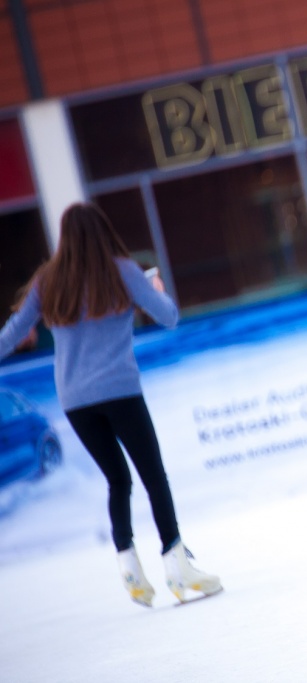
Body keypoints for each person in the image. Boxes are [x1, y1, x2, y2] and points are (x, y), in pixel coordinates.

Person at [0, 203, 221, 607]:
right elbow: (168, 318)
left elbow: (11, 335)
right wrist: (155, 292)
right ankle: (177, 565)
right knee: (154, 477)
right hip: (120, 391)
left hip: (75, 402)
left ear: (64, 238)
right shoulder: (123, 270)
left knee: (117, 480)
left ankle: (129, 566)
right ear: (104, 231)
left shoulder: (49, 280)